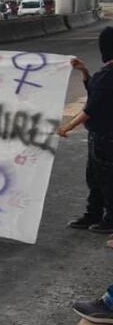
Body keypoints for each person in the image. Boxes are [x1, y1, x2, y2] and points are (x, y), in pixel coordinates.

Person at [60, 27, 113, 233]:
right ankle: (94, 214)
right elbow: (95, 92)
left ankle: (107, 219)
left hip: (104, 137)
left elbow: (90, 109)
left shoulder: (107, 76)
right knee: (97, 177)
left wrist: (68, 126)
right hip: (104, 135)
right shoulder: (105, 76)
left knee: (104, 179)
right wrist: (83, 71)